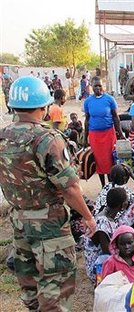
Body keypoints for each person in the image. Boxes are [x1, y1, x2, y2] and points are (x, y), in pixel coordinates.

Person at [0, 76, 96, 311]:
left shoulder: (3, 136)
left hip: (19, 221)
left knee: (30, 284)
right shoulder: (47, 138)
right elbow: (69, 187)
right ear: (43, 107)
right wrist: (88, 217)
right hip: (49, 225)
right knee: (55, 288)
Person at [84, 77, 124, 187]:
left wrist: (120, 133)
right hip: (95, 136)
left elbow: (116, 118)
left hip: (109, 134)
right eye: (95, 86)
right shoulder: (88, 101)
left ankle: (112, 184)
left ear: (103, 86)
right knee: (99, 160)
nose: (98, 88)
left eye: (99, 85)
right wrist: (84, 138)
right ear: (91, 87)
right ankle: (103, 186)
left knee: (111, 159)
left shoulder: (109, 99)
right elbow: (87, 120)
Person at [84, 187, 127, 282]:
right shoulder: (102, 221)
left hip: (101, 260)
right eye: (126, 200)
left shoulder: (109, 216)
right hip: (97, 266)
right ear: (123, 205)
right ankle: (101, 282)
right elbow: (107, 251)